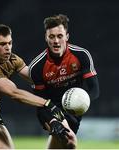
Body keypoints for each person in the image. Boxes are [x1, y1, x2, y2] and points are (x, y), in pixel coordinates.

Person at [0, 24, 68, 149]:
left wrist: (63, 80)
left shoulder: (13, 59)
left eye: (10, 43)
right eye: (3, 44)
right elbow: (14, 93)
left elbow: (35, 78)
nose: (8, 48)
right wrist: (47, 103)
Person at [29, 14, 100, 149]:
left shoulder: (81, 55)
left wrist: (83, 102)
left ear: (67, 36)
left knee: (60, 146)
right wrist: (51, 120)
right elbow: (40, 103)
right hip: (51, 108)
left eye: (60, 36)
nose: (56, 41)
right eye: (51, 36)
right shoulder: (37, 66)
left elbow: (94, 90)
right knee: (70, 141)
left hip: (74, 108)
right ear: (46, 37)